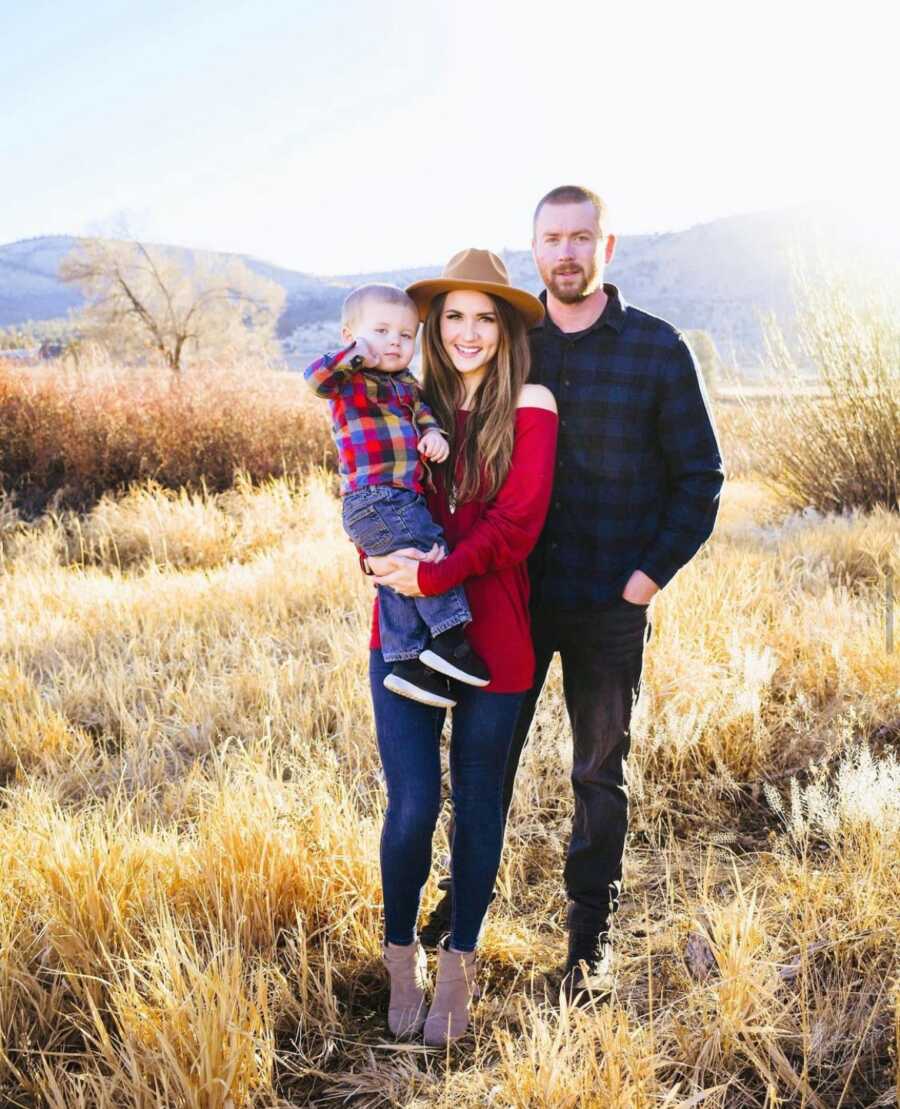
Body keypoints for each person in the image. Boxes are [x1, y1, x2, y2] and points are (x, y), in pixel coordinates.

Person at [419, 187, 726, 1005]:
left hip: (609, 608)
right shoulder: (516, 348)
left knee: (598, 774)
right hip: (512, 598)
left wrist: (647, 576)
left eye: (580, 237)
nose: (566, 252)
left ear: (606, 247)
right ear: (535, 250)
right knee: (485, 764)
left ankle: (589, 944)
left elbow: (702, 478)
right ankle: (460, 911)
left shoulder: (657, 350)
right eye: (551, 239)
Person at [364, 248, 558, 1044]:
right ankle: (400, 957)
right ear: (434, 328)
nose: (469, 332)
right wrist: (380, 557)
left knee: (480, 810)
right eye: (454, 318)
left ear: (504, 327)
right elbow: (366, 491)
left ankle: (457, 969)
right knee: (413, 806)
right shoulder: (405, 402)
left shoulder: (532, 403)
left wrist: (439, 565)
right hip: (406, 632)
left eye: (485, 317)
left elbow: (518, 524)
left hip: (498, 636)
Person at [303, 284, 490, 707]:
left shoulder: (407, 385)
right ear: (350, 333)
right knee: (428, 550)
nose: (394, 342)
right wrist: (357, 354)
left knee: (398, 578)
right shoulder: (346, 380)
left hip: (398, 497)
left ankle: (408, 663)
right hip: (374, 496)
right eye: (381, 331)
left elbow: (423, 415)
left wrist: (433, 435)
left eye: (406, 336)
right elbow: (314, 379)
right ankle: (449, 638)